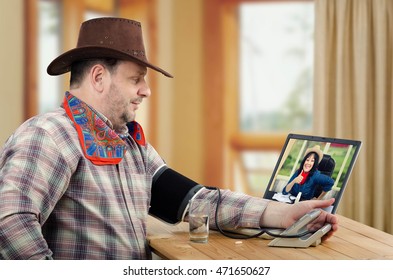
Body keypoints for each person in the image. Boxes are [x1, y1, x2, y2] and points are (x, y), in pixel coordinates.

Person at [0, 17, 338, 260]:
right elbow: (9, 221)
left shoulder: (132, 146)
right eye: (137, 79)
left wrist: (279, 214)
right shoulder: (49, 135)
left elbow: (196, 203)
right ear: (99, 77)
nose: (146, 91)